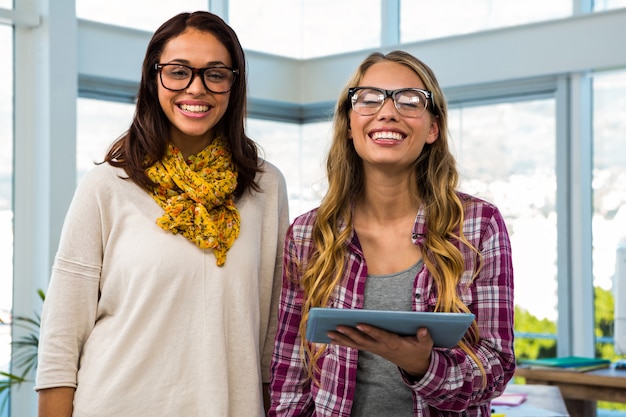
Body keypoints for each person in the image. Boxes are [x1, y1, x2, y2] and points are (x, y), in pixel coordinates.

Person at [35, 11, 289, 417]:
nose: (196, 88)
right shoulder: (107, 184)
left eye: (216, 74)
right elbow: (63, 329)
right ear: (153, 79)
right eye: (177, 71)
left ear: (233, 84)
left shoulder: (265, 186)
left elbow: (270, 326)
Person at [268, 50, 515, 416]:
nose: (387, 111)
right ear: (349, 126)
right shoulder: (308, 235)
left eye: (410, 100)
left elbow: (496, 367)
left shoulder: (478, 226)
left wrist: (423, 366)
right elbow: (290, 374)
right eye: (368, 99)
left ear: (432, 128)